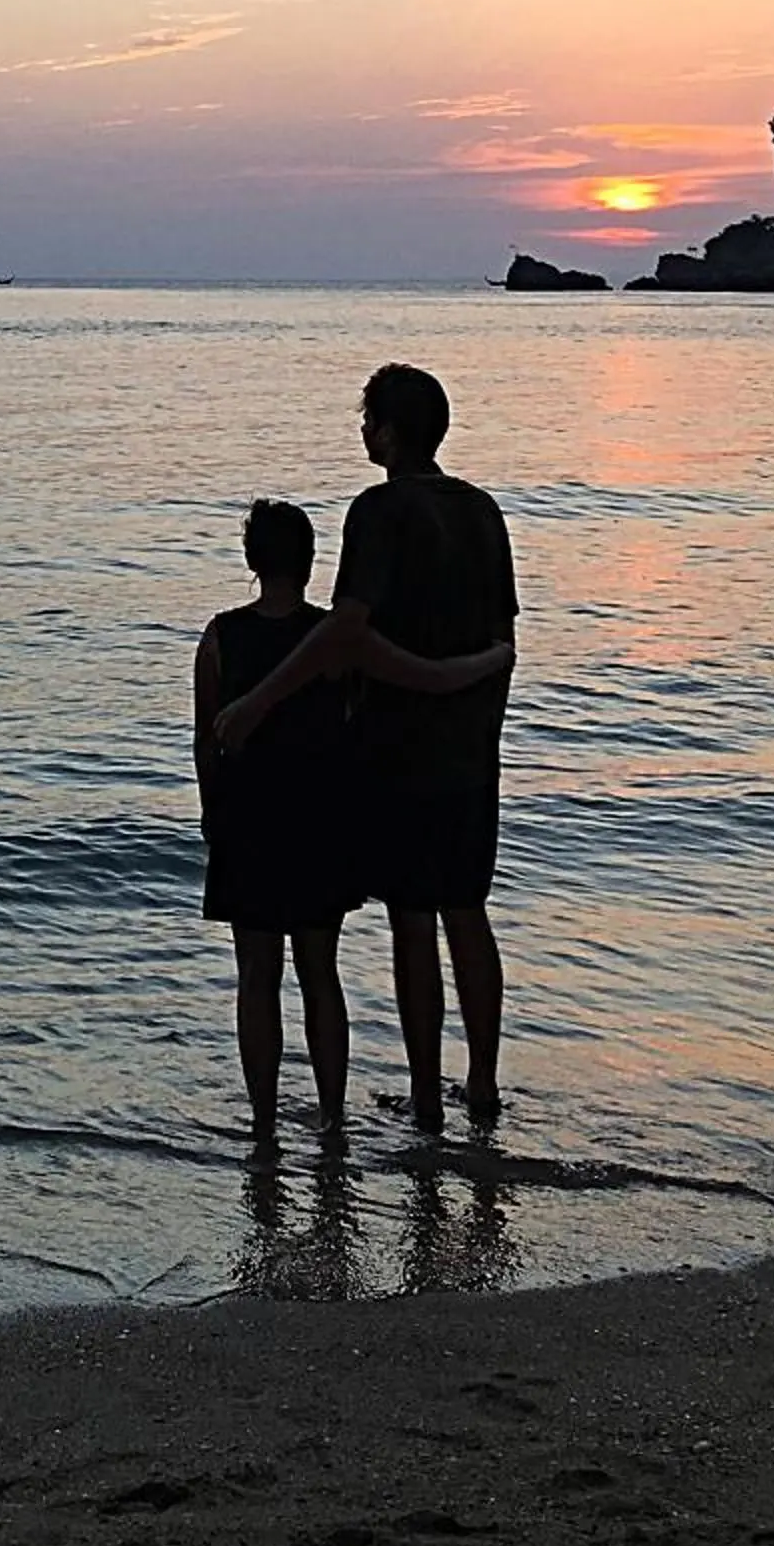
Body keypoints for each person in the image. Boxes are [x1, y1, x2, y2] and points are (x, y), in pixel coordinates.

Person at [215, 365, 517, 1131]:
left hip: (404, 747)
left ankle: (427, 1097)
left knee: (415, 921)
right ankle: (481, 1085)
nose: (362, 431)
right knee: (467, 913)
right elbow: (502, 643)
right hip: (472, 749)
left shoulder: (378, 511)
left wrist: (257, 700)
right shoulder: (483, 511)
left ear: (387, 431)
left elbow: (348, 632)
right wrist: (471, 696)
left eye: (368, 419)